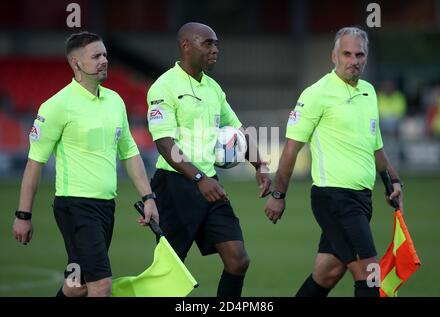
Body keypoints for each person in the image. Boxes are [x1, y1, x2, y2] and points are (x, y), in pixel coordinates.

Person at [12, 32, 159, 297]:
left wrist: (148, 197)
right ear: (76, 64)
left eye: (104, 54)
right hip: (75, 206)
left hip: (106, 207)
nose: (104, 60)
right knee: (100, 286)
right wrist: (23, 215)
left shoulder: (115, 101)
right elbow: (34, 164)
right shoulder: (57, 105)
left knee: (76, 286)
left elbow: (130, 153)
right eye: (96, 56)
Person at [264, 27, 403, 297]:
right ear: (334, 56)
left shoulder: (369, 92)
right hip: (334, 199)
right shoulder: (316, 93)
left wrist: (393, 181)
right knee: (369, 273)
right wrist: (278, 195)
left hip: (362, 199)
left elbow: (376, 149)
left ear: (366, 57)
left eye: (359, 54)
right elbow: (291, 148)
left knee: (327, 273)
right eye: (346, 54)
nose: (353, 60)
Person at [146, 22, 271, 297]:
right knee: (170, 274)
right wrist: (200, 178)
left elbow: (237, 129)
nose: (215, 50)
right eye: (208, 43)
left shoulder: (213, 88)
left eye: (216, 44)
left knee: (238, 260)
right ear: (186, 46)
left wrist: (259, 165)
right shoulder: (164, 87)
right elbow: (165, 143)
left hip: (209, 185)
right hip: (174, 186)